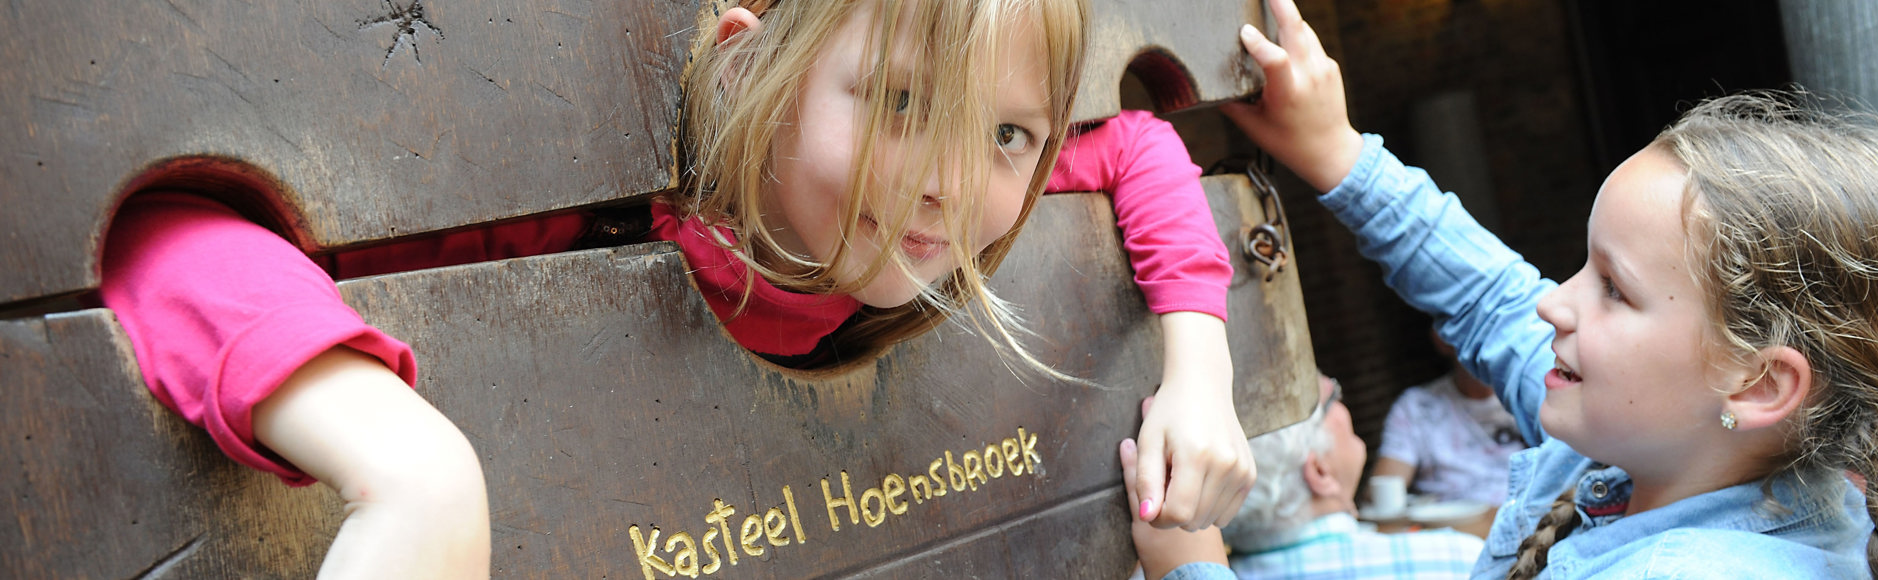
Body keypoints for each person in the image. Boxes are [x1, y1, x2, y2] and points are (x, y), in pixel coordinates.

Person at [96, 1, 1254, 576]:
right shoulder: (556, 222)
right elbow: (165, 229)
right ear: (746, 66)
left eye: (1005, 134)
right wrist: (415, 474)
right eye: (903, 104)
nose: (951, 184)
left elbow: (1135, 141)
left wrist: (1197, 373)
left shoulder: (994, 195)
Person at [1144, 0, 1878, 577]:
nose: (1553, 302)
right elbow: (1492, 296)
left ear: (1759, 382)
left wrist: (1192, 565)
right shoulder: (1665, 441)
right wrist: (1337, 153)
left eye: (1615, 290)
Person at [1125, 374, 1484, 580]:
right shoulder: (1461, 562)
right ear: (1320, 471)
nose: (1340, 398)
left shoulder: (1165, 569)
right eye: (1329, 399)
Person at [1372, 331, 1523, 525]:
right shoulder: (1416, 407)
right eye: (1473, 328)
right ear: (1441, 339)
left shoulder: (1529, 398)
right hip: (1447, 531)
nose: (1485, 342)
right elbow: (1383, 494)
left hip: (1528, 527)